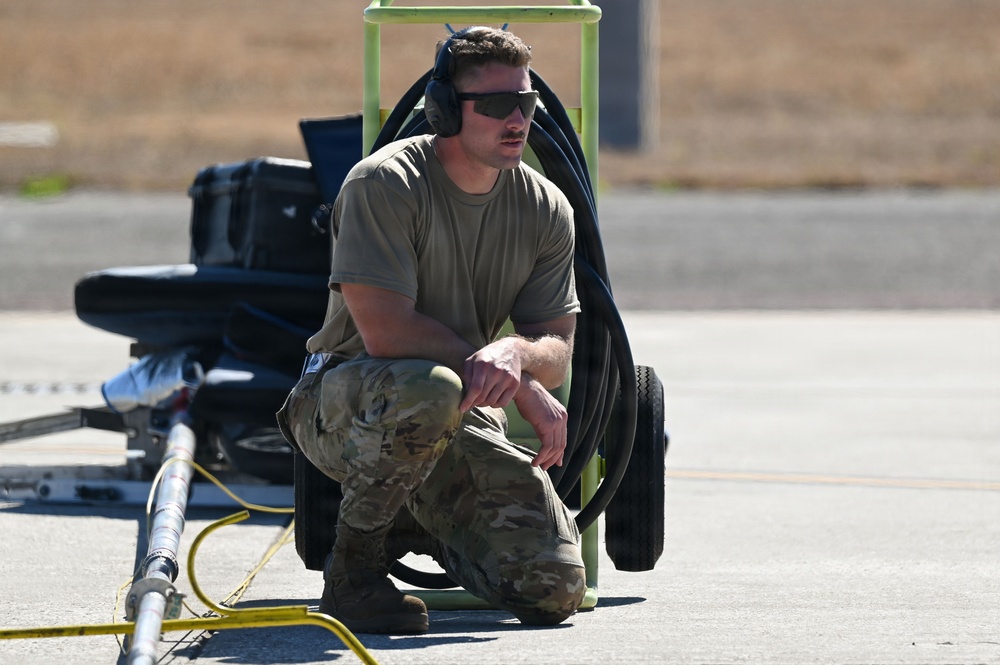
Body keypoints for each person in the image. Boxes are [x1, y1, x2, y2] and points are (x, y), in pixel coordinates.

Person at [277, 26, 586, 635]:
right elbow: (387, 333)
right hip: (344, 402)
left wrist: (517, 354)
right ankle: (354, 571)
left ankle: (424, 516)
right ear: (444, 112)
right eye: (495, 106)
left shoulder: (547, 208)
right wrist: (517, 383)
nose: (516, 119)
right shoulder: (383, 184)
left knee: (553, 590)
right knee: (433, 386)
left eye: (525, 104)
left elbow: (556, 354)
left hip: (458, 411)